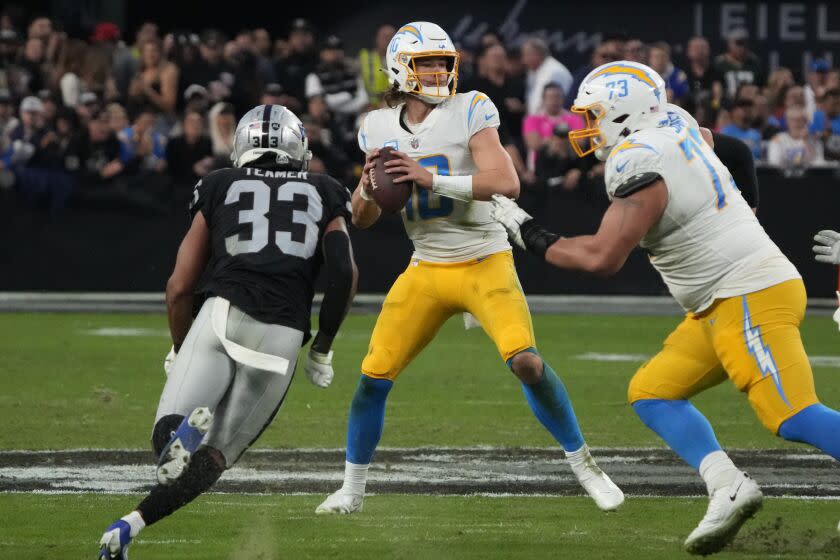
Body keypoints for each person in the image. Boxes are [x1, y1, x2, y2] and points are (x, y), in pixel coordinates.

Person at [490, 60, 840, 555]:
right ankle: (727, 485)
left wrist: (529, 233)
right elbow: (731, 148)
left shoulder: (638, 159)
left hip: (746, 293)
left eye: (594, 115)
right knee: (653, 392)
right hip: (720, 301)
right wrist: (747, 206)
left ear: (623, 113)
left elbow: (602, 257)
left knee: (793, 415)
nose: (585, 127)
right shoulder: (673, 120)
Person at [315, 21, 623, 517]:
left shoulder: (471, 107)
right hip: (427, 266)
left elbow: (507, 181)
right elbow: (365, 218)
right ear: (401, 69)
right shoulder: (376, 125)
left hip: (484, 255)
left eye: (443, 61)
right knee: (373, 376)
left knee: (526, 360)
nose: (438, 71)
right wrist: (368, 185)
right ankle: (352, 489)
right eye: (426, 63)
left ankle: (587, 466)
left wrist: (428, 177)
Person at [96, 104, 357, 559]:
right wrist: (324, 348)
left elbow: (179, 287)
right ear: (299, 148)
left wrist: (182, 347)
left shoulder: (219, 183)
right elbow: (343, 272)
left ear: (242, 146)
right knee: (217, 457)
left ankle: (175, 444)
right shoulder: (325, 188)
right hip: (281, 336)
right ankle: (128, 527)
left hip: (221, 312)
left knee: (168, 435)